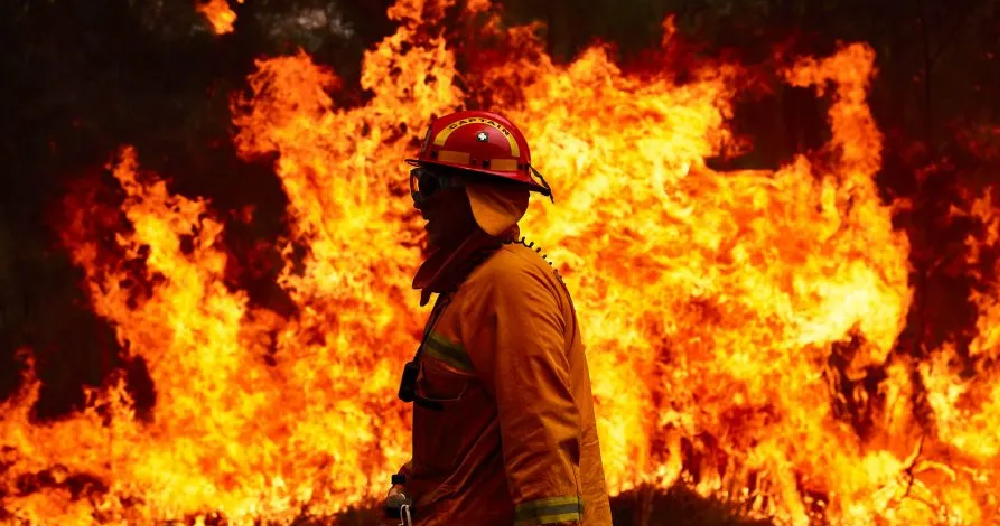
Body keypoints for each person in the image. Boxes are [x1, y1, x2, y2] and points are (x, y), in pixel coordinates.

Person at [384, 110, 613, 526]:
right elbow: (470, 436)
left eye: (430, 185)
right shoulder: (473, 281)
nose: (421, 204)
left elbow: (541, 435)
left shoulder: (510, 285)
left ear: (472, 195)